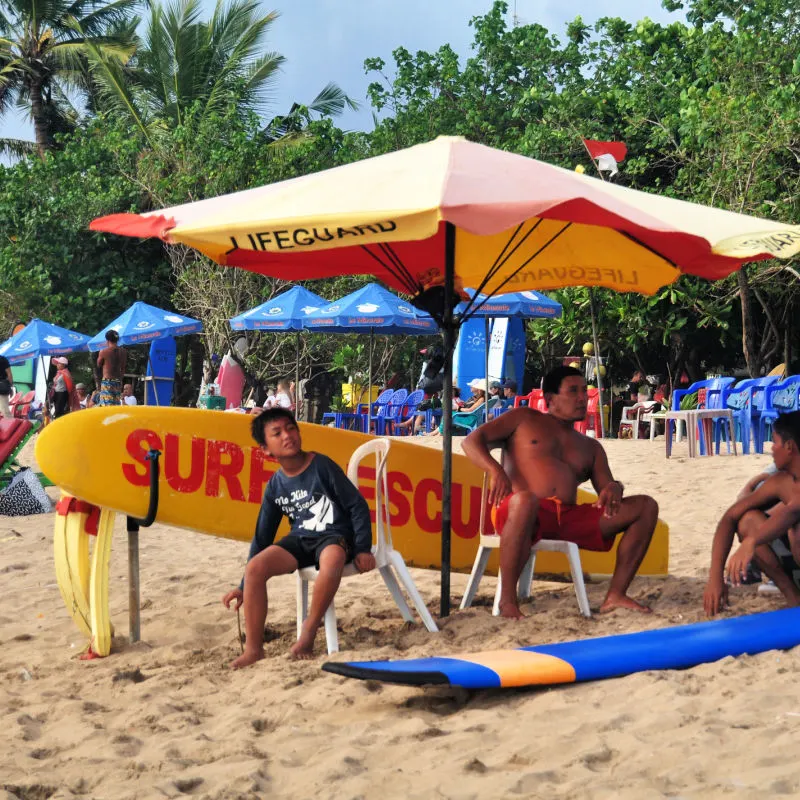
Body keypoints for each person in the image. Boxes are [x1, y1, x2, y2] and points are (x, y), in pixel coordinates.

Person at [462, 365, 659, 619]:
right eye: (573, 391)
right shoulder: (524, 418)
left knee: (645, 506)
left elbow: (606, 490)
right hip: (517, 512)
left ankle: (616, 594)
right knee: (525, 500)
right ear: (550, 399)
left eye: (584, 393)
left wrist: (615, 488)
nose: (581, 398)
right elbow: (471, 441)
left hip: (566, 517)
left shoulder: (590, 447)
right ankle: (508, 602)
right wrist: (495, 470)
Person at [222, 408, 375, 667]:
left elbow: (356, 505)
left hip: (334, 535)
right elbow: (263, 537)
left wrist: (362, 548)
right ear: (266, 450)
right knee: (256, 567)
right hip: (301, 539)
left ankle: (308, 631)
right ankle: (254, 649)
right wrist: (243, 585)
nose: (287, 435)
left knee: (333, 557)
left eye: (291, 428)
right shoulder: (275, 485)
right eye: (277, 433)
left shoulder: (321, 465)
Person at [703, 411, 800, 616]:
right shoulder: (781, 482)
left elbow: (793, 509)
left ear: (789, 447)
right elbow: (730, 517)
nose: (771, 450)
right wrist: (715, 578)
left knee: (795, 530)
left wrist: (751, 542)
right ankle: (794, 600)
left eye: (774, 442)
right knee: (747, 521)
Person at [95, 330, 127, 406]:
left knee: (107, 405)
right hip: (118, 381)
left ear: (107, 340)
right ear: (117, 339)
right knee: (116, 404)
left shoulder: (104, 351)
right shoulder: (123, 351)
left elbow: (99, 364)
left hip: (107, 381)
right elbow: (123, 367)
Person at [0, 352, 13, 418]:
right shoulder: (3, 359)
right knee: (4, 410)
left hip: (2, 388)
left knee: (5, 411)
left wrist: (10, 387)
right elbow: (9, 374)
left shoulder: (2, 359)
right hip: (3, 387)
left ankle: (12, 426)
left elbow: (9, 374)